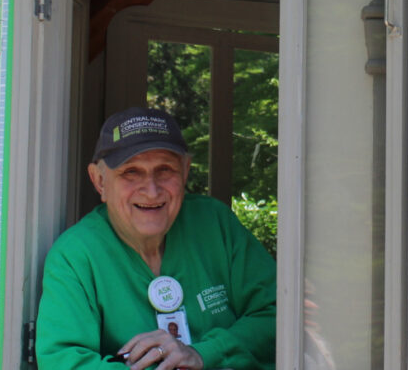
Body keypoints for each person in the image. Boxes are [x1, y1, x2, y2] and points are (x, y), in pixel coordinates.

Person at [37, 107, 277, 370]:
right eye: (131, 172)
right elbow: (63, 362)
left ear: (185, 171)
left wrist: (205, 353)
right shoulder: (75, 255)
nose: (151, 191)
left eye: (165, 170)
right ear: (100, 181)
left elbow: (279, 315)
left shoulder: (214, 223)